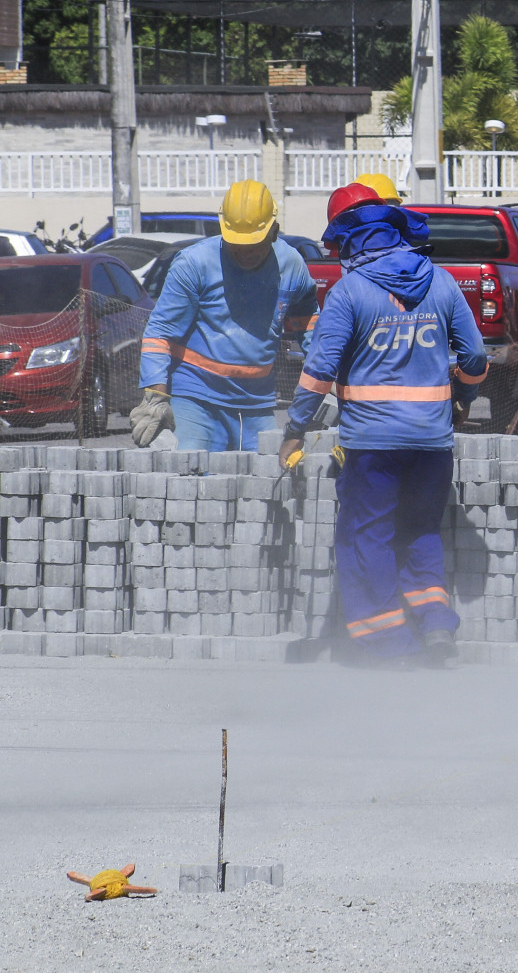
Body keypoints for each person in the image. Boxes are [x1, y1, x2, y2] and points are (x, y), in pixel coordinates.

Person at [280, 184, 489, 666]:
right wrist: (464, 397)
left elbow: (319, 371)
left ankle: (389, 645)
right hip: (432, 444)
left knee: (365, 537)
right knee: (420, 531)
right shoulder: (441, 282)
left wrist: (295, 428)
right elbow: (475, 356)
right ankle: (436, 623)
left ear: (350, 243)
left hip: (372, 445)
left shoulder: (349, 291)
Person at [129, 180, 317, 452]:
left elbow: (308, 319)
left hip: (257, 403)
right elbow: (161, 333)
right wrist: (155, 397)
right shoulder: (195, 263)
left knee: (264, 485)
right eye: (237, 246)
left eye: (254, 245)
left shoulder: (291, 265)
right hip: (196, 399)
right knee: (193, 480)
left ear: (274, 232)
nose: (246, 254)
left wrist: (326, 371)